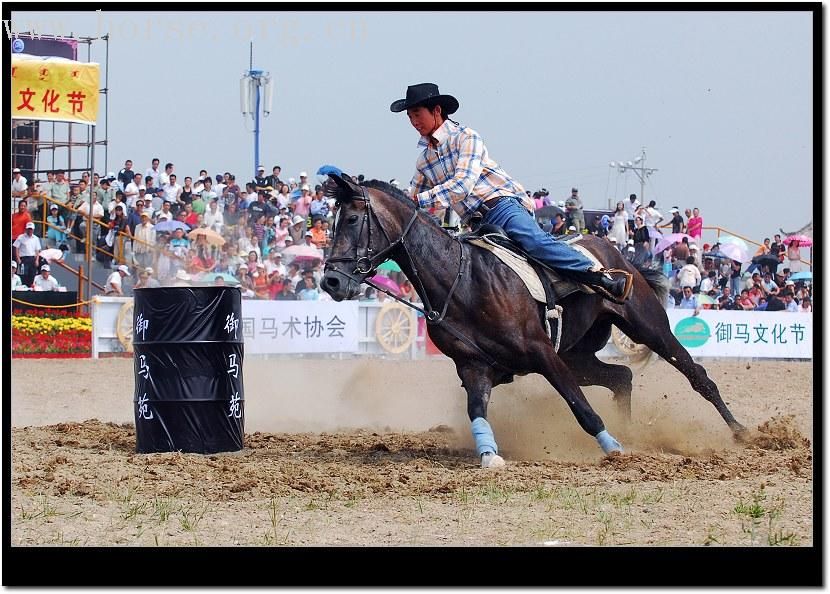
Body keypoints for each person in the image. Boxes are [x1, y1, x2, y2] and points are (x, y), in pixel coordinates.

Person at [391, 83, 630, 301]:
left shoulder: (466, 137)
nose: (413, 121)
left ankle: (599, 275)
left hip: (502, 207)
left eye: (417, 114)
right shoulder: (424, 160)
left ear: (436, 111)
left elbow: (462, 186)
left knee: (534, 242)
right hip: (476, 226)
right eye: (410, 117)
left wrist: (418, 199)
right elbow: (411, 201)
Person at [13, 221, 42, 287]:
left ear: (33, 229)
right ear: (26, 229)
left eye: (31, 229)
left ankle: (31, 288)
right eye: (28, 229)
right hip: (23, 259)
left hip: (32, 258)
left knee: (32, 275)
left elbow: (37, 250)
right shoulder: (21, 237)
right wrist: (18, 258)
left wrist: (37, 260)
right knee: (23, 275)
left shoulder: (36, 238)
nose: (30, 230)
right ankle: (22, 288)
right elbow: (16, 247)